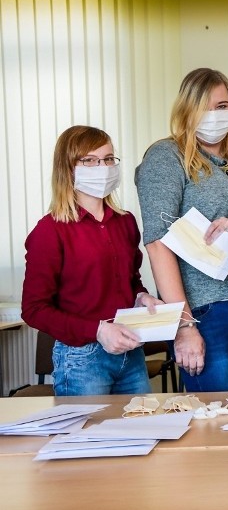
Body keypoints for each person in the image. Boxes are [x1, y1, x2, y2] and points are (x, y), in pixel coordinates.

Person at [136, 68, 228, 391]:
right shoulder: (167, 157)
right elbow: (158, 243)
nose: (215, 114)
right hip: (204, 314)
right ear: (186, 109)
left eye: (223, 106)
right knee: (218, 420)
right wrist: (184, 325)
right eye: (204, 106)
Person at [22, 126, 162, 396]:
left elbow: (131, 280)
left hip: (130, 351)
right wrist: (98, 331)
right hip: (81, 359)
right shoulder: (50, 231)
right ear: (68, 167)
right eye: (90, 160)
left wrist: (142, 297)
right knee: (88, 438)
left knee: (145, 432)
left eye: (109, 159)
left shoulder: (125, 222)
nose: (103, 167)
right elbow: (33, 309)